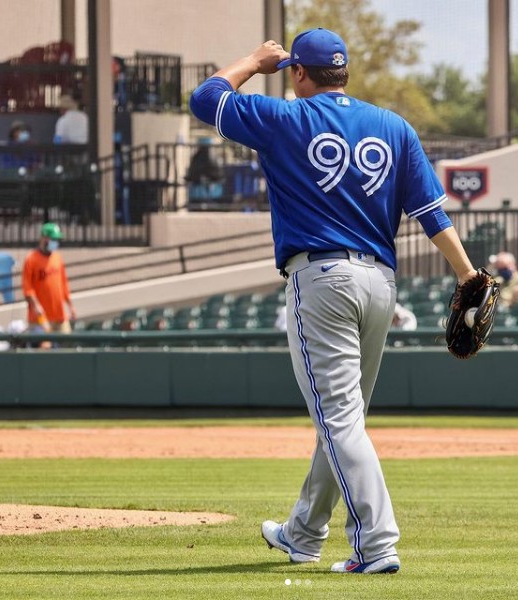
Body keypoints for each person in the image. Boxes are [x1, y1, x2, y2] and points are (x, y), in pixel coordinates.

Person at [190, 28, 479, 575]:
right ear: (344, 72)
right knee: (345, 417)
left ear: (298, 72)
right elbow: (431, 216)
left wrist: (255, 59)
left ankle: (377, 543)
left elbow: (206, 99)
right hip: (380, 287)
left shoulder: (286, 120)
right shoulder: (393, 126)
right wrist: (465, 273)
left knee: (339, 419)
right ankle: (303, 534)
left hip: (321, 279)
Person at [22, 223, 76, 346]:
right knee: (45, 349)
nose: (55, 242)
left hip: (59, 315)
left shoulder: (57, 257)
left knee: (68, 349)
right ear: (44, 238)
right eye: (53, 239)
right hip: (40, 318)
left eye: (57, 240)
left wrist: (70, 305)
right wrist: (36, 306)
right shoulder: (31, 259)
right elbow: (27, 289)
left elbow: (63, 283)